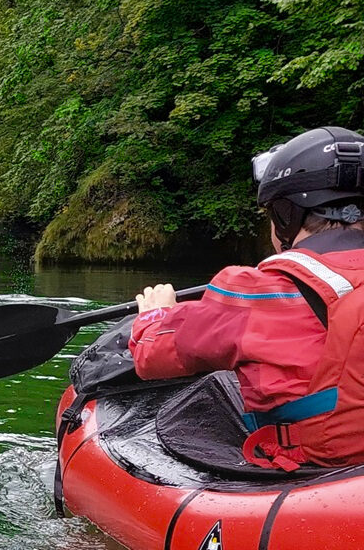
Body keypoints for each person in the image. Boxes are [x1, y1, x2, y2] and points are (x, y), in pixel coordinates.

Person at [130, 126, 364, 470]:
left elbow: (151, 358)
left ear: (286, 216)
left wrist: (154, 315)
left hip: (317, 469)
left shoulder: (254, 291)